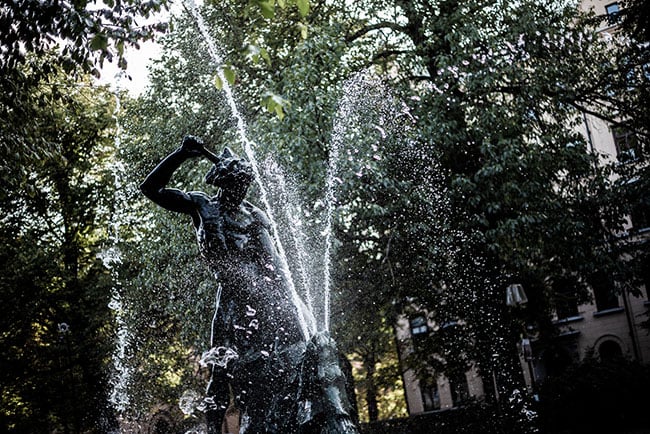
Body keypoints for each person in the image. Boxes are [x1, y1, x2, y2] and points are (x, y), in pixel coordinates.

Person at [141, 136, 310, 433]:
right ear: (222, 182)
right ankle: (213, 430)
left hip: (261, 299)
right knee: (219, 373)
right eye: (235, 184)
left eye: (244, 184)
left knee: (267, 367)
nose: (240, 190)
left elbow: (276, 266)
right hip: (229, 299)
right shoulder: (202, 206)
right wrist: (180, 154)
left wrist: (293, 306)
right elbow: (150, 189)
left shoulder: (255, 217)